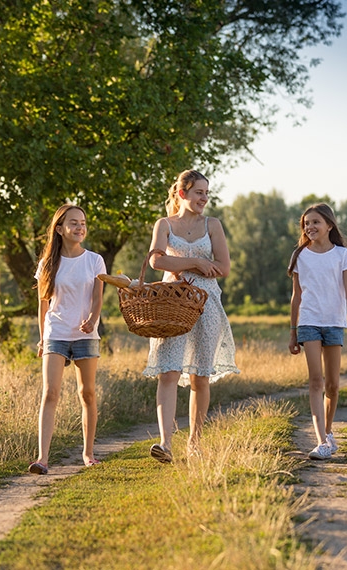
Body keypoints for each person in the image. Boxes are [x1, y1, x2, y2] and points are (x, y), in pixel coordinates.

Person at [143, 169, 239, 463]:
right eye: (199, 193)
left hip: (207, 303)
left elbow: (223, 268)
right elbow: (156, 259)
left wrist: (183, 264)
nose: (204, 198)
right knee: (169, 372)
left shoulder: (213, 225)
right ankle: (166, 443)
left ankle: (194, 442)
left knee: (200, 376)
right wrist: (197, 261)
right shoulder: (164, 224)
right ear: (183, 193)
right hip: (173, 303)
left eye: (207, 193)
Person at [29, 204, 106, 474]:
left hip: (85, 334)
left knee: (87, 393)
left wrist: (92, 320)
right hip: (56, 333)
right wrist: (42, 339)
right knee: (50, 393)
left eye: (83, 222)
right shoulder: (48, 263)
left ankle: (88, 453)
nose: (79, 227)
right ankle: (42, 459)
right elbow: (43, 303)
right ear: (59, 229)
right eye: (73, 223)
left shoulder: (94, 260)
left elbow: (98, 297)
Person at [287, 203, 347, 460]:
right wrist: (293, 331)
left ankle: (328, 432)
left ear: (329, 225)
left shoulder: (342, 255)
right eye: (306, 223)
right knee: (316, 381)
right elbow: (296, 297)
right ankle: (321, 441)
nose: (310, 227)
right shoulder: (300, 255)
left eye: (315, 222)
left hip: (334, 323)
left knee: (333, 385)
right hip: (308, 322)